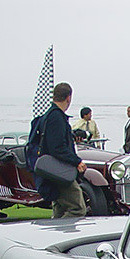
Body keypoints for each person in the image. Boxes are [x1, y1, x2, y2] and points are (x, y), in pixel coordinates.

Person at [37, 82, 87, 219]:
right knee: (77, 208)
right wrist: (77, 161)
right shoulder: (56, 118)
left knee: (59, 209)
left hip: (52, 172)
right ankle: (66, 237)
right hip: (60, 173)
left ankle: (55, 235)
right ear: (68, 98)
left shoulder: (48, 116)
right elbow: (57, 148)